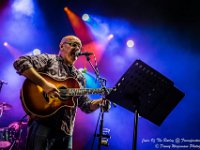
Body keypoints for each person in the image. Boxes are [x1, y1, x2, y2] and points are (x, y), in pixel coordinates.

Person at [13, 35, 109, 150]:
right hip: (43, 124)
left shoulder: (79, 77)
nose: (77, 49)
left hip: (66, 131)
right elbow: (20, 62)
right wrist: (44, 84)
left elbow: (86, 105)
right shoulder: (49, 60)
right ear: (62, 46)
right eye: (73, 44)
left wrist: (100, 102)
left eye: (79, 47)